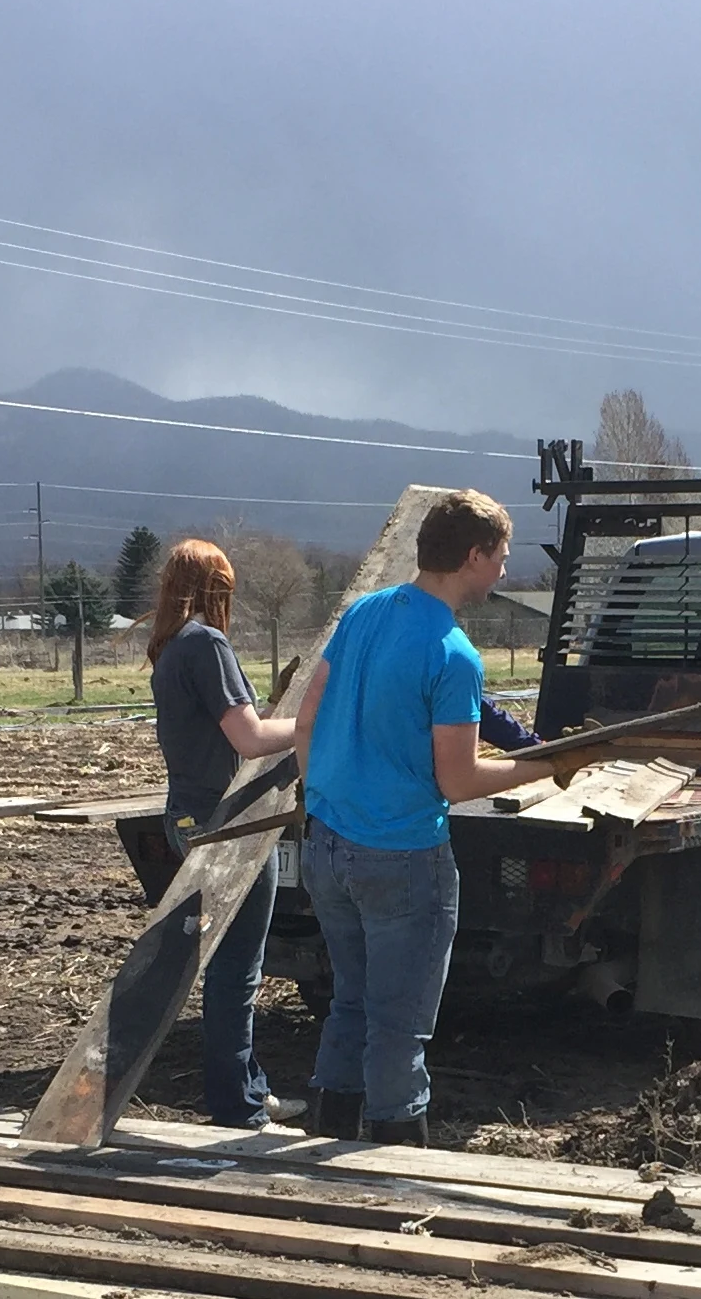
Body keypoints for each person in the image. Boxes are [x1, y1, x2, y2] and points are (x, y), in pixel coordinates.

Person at [293, 489, 584, 1144]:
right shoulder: (453, 653)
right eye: (501, 559)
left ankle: (326, 1141)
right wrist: (551, 766)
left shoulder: (362, 613)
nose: (505, 573)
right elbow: (457, 780)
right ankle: (396, 1165)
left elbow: (307, 721)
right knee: (400, 1025)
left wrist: (325, 801)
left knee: (350, 1003)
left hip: (327, 845)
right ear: (473, 556)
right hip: (400, 857)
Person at [121, 538, 301, 1130]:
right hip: (228, 823)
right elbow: (249, 740)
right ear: (215, 589)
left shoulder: (172, 646)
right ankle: (239, 1107)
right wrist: (312, 724)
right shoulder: (207, 642)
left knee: (227, 961)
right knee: (236, 969)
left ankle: (249, 1086)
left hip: (188, 817)